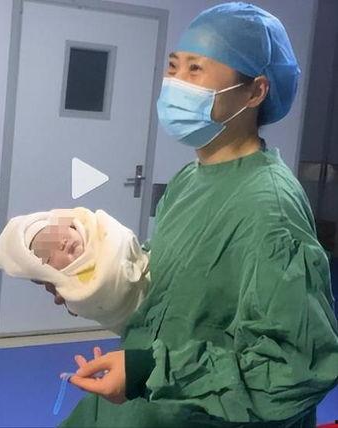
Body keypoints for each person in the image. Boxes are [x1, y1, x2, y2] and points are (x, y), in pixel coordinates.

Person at [38, 2, 338, 427]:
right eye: (174, 66)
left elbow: (294, 365)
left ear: (255, 92)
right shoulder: (191, 180)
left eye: (196, 70)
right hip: (150, 406)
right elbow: (168, 294)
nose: (176, 82)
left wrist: (150, 370)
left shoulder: (269, 207)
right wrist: (89, 281)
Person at [0, 207, 150, 333]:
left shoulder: (102, 230)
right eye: (49, 254)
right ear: (48, 273)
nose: (62, 244)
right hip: (142, 321)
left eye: (58, 235)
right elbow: (104, 293)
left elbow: (122, 239)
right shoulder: (75, 292)